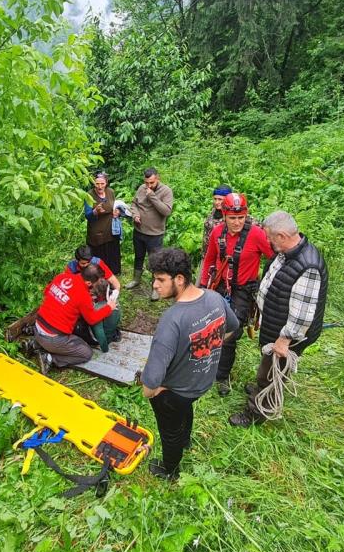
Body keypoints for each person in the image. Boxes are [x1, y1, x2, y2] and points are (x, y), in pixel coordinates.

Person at [140, 248, 239, 479]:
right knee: (186, 407)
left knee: (169, 431)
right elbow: (233, 327)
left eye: (160, 279)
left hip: (176, 392)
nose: (155, 285)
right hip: (202, 382)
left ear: (180, 279)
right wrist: (209, 349)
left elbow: (150, 383)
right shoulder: (214, 297)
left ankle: (170, 470)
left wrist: (154, 391)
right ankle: (185, 441)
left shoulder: (171, 320)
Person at [229, 211, 328, 427]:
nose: (268, 242)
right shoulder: (287, 252)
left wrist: (285, 340)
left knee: (271, 373)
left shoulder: (308, 267)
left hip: (286, 334)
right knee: (267, 367)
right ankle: (261, 388)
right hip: (275, 323)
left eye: (270, 238)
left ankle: (258, 411)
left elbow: (302, 314)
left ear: (282, 235)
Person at [200, 192, 273, 396]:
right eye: (232, 218)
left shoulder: (257, 234)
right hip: (221, 286)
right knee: (212, 326)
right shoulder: (217, 233)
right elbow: (209, 260)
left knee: (229, 333)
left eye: (241, 217)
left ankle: (222, 377)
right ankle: (211, 358)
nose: (237, 222)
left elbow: (274, 258)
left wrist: (265, 282)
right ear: (224, 215)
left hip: (243, 291)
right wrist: (205, 287)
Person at [32, 263, 119, 374]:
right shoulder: (83, 295)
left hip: (38, 326)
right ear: (88, 283)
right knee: (86, 353)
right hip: (53, 339)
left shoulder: (62, 277)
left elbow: (46, 291)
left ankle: (36, 344)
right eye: (97, 282)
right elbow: (92, 319)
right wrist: (109, 308)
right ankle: (50, 358)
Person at [126, 167, 174, 301]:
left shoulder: (166, 191)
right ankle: (136, 279)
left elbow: (166, 211)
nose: (148, 186)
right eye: (146, 183)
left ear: (157, 178)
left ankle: (155, 288)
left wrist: (151, 196)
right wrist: (135, 215)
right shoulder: (141, 188)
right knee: (139, 256)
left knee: (155, 262)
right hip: (139, 231)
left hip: (155, 234)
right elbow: (134, 204)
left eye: (151, 183)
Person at [67, 246, 121, 351]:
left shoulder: (97, 263)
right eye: (83, 264)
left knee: (113, 311)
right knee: (91, 321)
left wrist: (114, 294)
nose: (86, 265)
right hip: (81, 298)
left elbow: (115, 282)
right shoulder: (71, 268)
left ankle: (108, 331)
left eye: (88, 262)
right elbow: (69, 288)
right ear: (77, 261)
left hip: (99, 296)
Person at [84, 171, 121, 275]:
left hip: (111, 229)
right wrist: (95, 211)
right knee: (99, 254)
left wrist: (117, 212)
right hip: (96, 231)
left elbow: (114, 206)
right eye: (97, 184)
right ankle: (98, 274)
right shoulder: (89, 195)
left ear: (106, 183)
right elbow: (87, 215)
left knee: (112, 251)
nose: (100, 186)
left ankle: (113, 273)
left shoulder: (111, 192)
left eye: (102, 184)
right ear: (94, 183)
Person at [201, 185, 232, 275]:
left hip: (221, 258)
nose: (217, 202)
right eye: (215, 199)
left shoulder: (232, 215)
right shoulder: (213, 212)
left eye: (220, 199)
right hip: (207, 255)